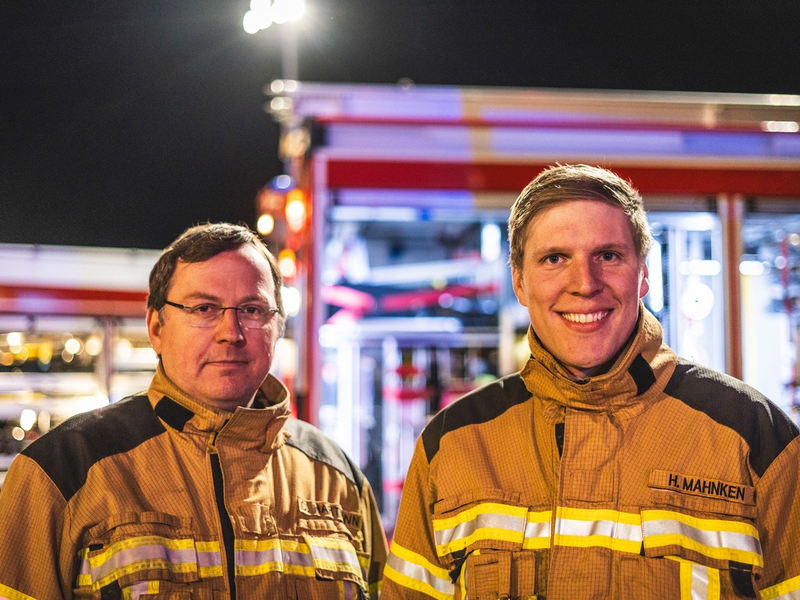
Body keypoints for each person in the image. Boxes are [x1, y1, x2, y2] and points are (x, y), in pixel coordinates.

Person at [381, 165, 800, 599]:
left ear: (644, 273)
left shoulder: (754, 437)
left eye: (608, 255)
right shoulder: (452, 444)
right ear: (519, 282)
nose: (584, 284)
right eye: (554, 259)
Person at [0, 223, 387, 599]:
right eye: (204, 308)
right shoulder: (62, 473)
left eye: (252, 310)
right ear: (156, 328)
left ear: (279, 326)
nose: (230, 332)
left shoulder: (339, 479)